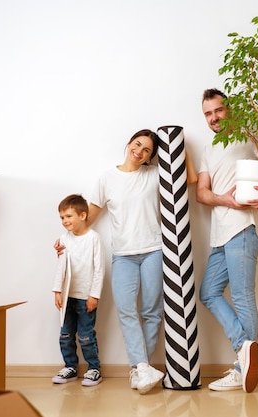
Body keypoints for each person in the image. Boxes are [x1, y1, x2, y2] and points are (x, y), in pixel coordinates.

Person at [196, 88, 258, 393]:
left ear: (231, 110)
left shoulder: (253, 137)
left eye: (218, 110)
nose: (214, 118)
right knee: (209, 292)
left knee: (242, 297)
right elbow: (202, 193)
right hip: (220, 233)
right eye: (208, 114)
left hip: (244, 228)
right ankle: (245, 347)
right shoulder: (210, 149)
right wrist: (224, 199)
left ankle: (242, 368)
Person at [54, 129, 165, 394]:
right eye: (137, 144)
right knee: (126, 311)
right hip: (123, 255)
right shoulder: (107, 178)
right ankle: (141, 367)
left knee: (152, 312)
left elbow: (192, 179)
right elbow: (86, 217)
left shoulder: (155, 175)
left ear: (151, 156)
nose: (140, 151)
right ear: (129, 143)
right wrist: (65, 241)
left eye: (147, 150)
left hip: (154, 250)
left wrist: (181, 145)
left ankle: (140, 370)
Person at [51, 194, 104, 386]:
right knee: (65, 334)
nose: (64, 221)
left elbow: (99, 269)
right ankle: (70, 367)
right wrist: (57, 291)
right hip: (67, 296)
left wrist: (94, 295)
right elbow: (61, 266)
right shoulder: (64, 238)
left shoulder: (93, 239)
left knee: (86, 336)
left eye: (68, 216)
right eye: (62, 218)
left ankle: (94, 368)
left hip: (85, 297)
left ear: (82, 215)